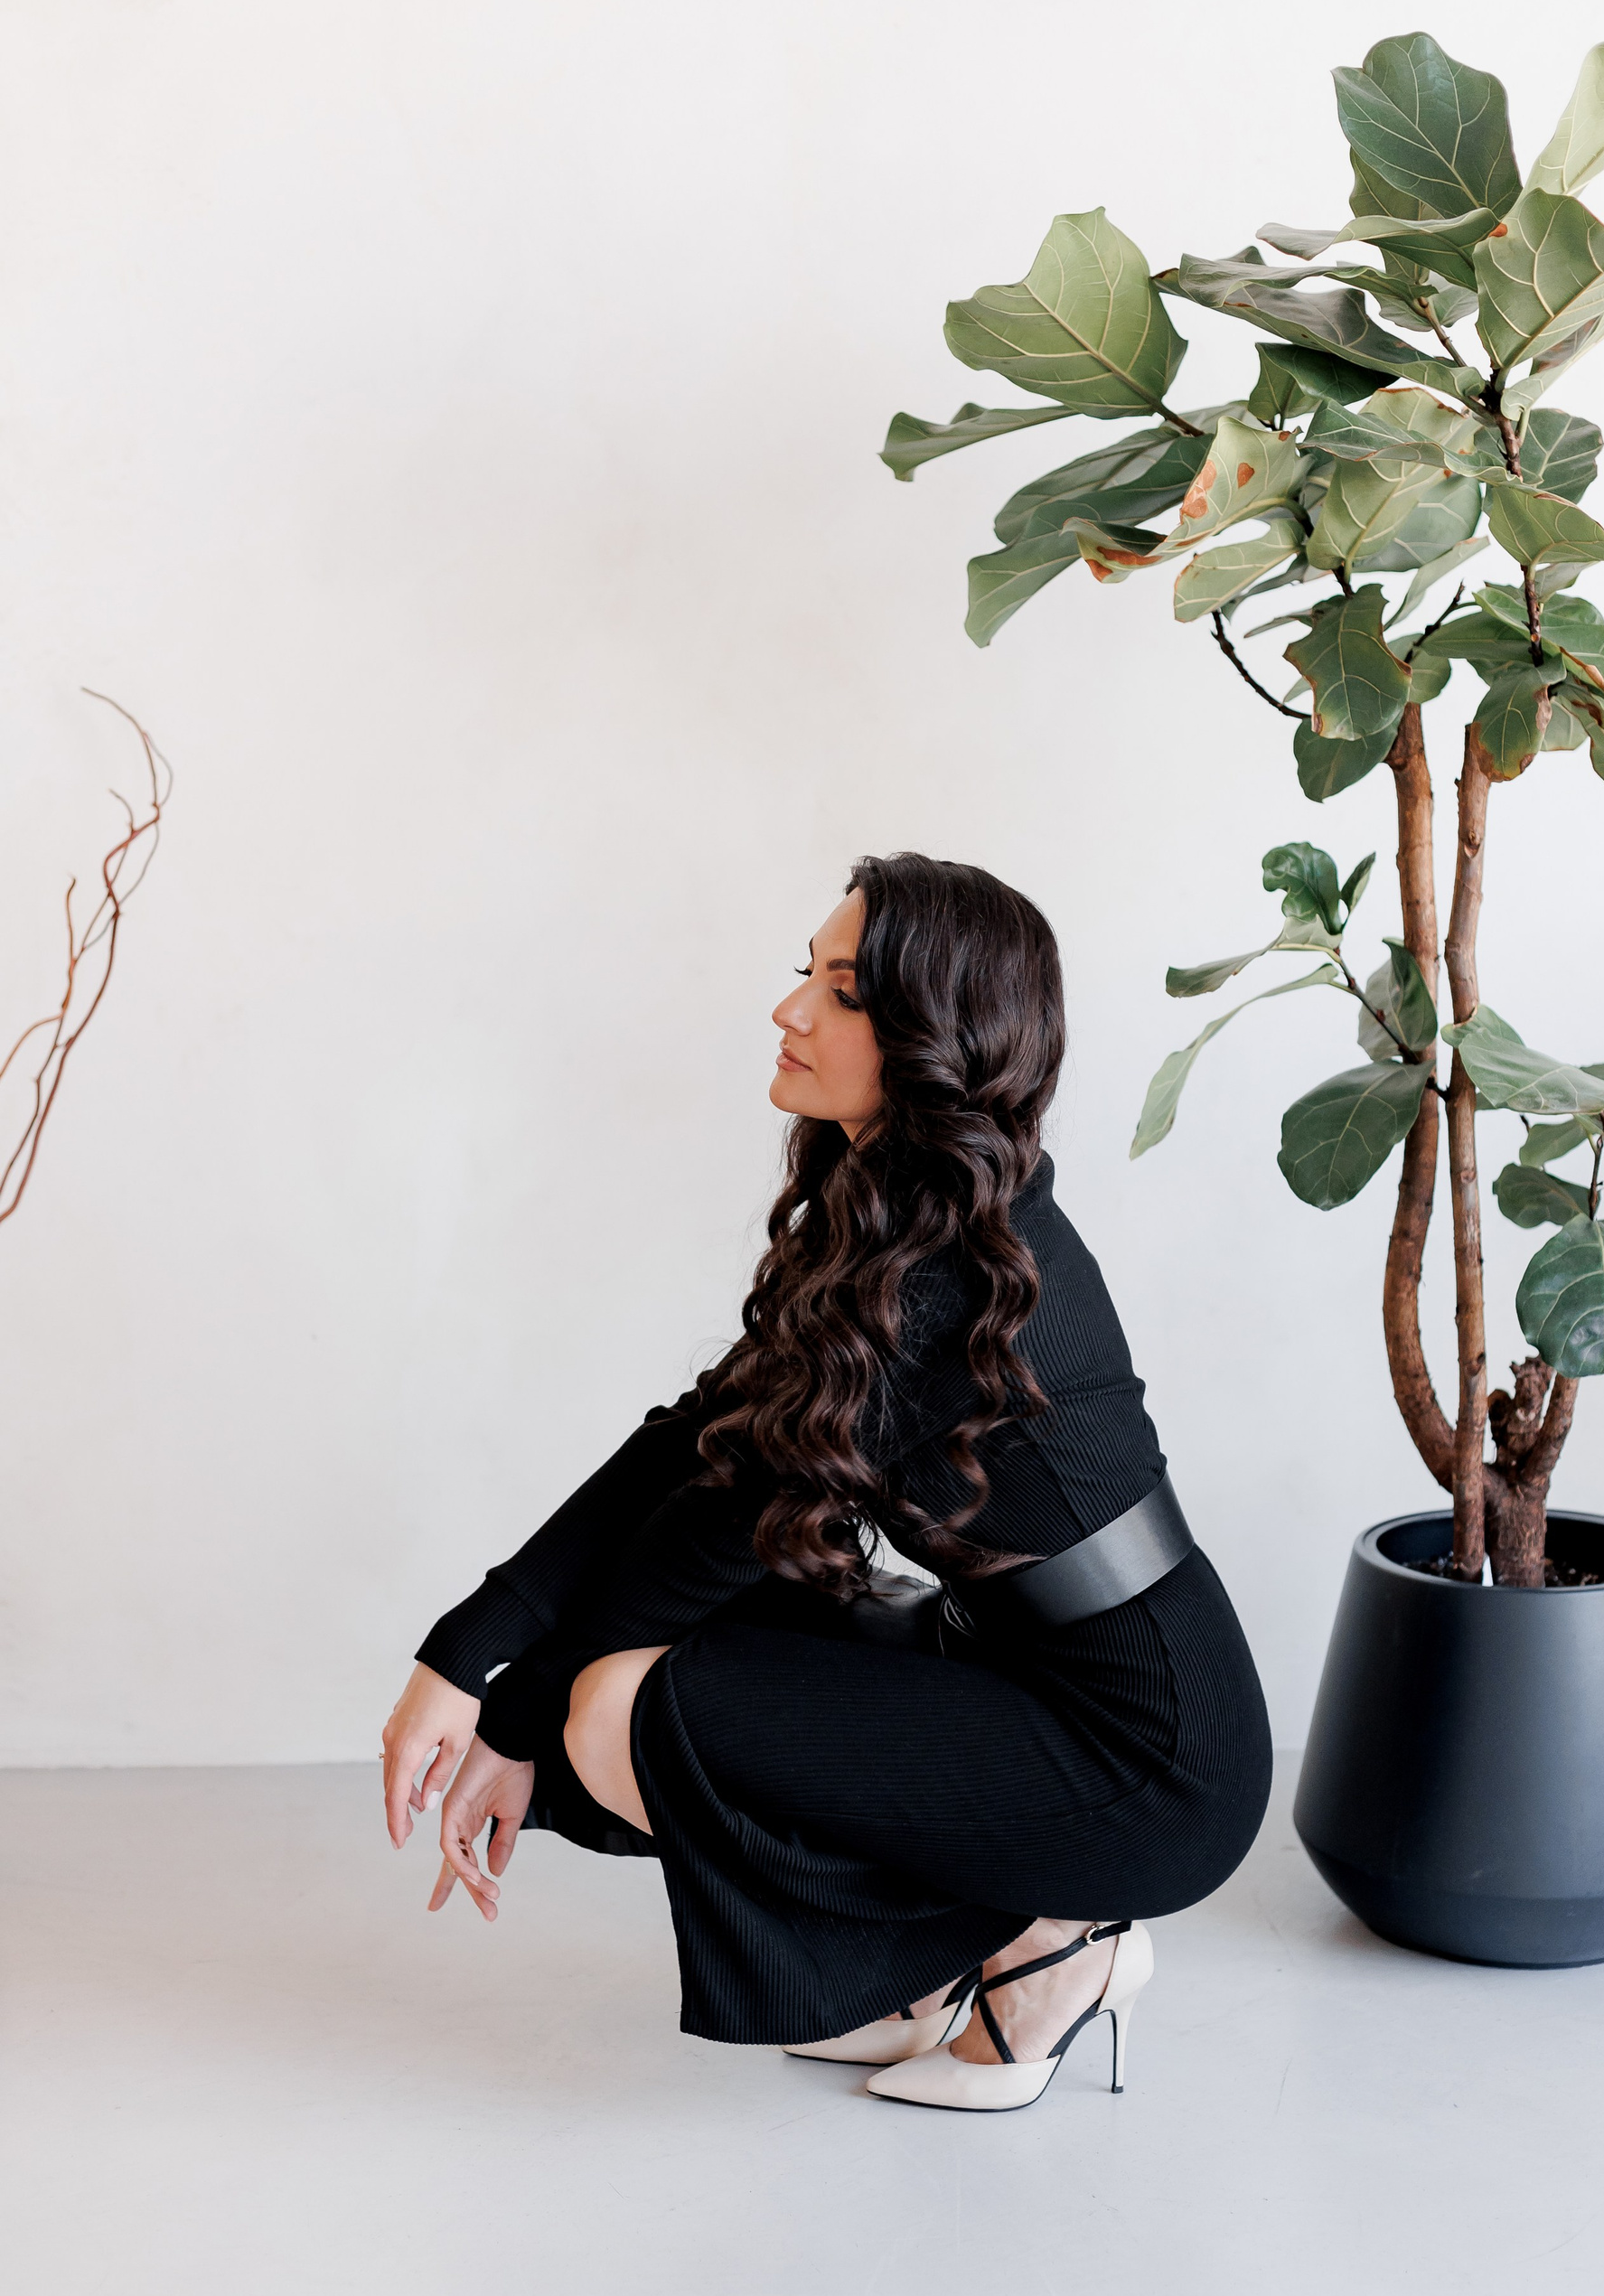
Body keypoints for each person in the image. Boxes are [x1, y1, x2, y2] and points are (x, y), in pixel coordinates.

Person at [380, 853, 1271, 2113]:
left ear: (936, 1036)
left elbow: (716, 1530)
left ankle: (1057, 1942)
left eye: (844, 991)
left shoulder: (952, 1268)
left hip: (1149, 1761)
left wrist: (511, 1711)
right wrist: (465, 1648)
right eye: (808, 972)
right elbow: (697, 1439)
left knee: (622, 1706)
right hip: (1016, 1672)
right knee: (694, 1635)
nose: (791, 1008)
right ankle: (938, 1963)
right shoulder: (904, 1212)